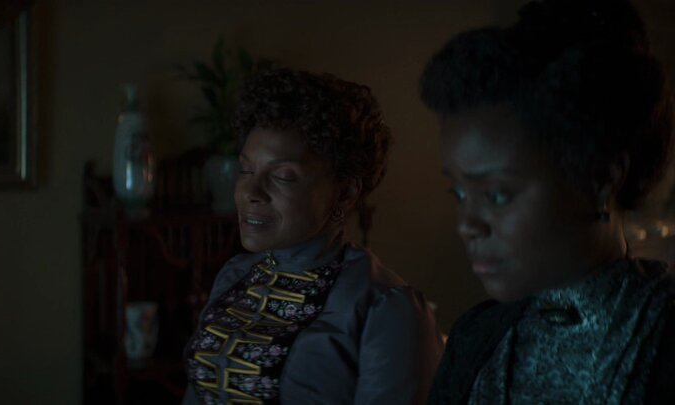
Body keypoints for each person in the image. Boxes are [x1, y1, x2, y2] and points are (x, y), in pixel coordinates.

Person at [420, 0, 675, 403]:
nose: (467, 224)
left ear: (601, 179)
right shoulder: (475, 335)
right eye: (459, 193)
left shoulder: (660, 334)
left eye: (497, 194)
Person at [183, 68, 443, 404]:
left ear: (345, 193)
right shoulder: (234, 277)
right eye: (245, 170)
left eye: (282, 176)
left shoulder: (386, 309)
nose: (250, 192)